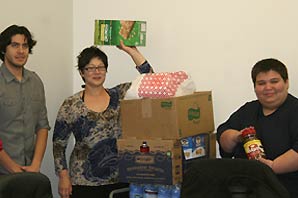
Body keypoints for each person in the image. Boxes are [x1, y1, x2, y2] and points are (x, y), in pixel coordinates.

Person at [52, 41, 153, 198]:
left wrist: (132, 51)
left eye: (101, 67)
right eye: (90, 68)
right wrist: (63, 177)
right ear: (81, 72)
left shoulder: (120, 94)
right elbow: (58, 145)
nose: (96, 72)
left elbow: (151, 81)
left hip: (120, 178)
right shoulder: (71, 104)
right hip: (83, 182)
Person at [216, 58, 298, 197]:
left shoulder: (294, 110)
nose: (268, 88)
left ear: (286, 83)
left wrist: (271, 167)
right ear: (255, 87)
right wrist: (236, 136)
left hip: (284, 187)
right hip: (244, 186)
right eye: (261, 83)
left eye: (274, 81)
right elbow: (223, 135)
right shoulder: (249, 109)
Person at [0, 25, 50, 174]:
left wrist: (35, 165)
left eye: (25, 46)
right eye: (15, 45)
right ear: (3, 49)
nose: (21, 51)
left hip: (30, 171)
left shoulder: (35, 81)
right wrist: (13, 168)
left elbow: (42, 126)